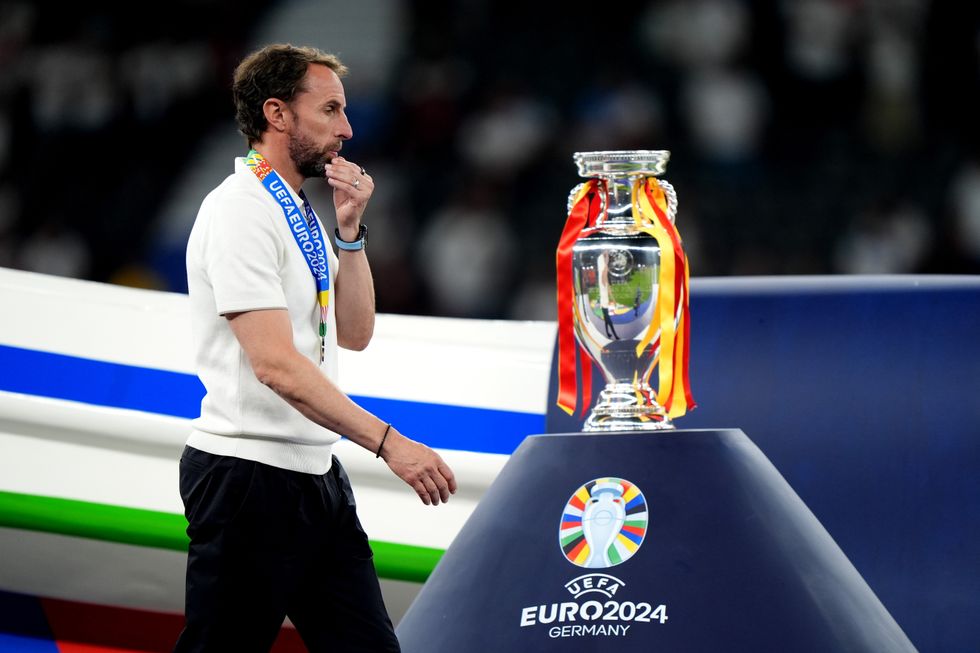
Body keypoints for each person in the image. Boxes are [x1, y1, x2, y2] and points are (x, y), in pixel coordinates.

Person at [176, 44, 456, 652]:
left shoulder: (297, 211)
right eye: (329, 109)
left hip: (313, 476)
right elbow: (276, 365)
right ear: (277, 114)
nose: (347, 128)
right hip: (246, 477)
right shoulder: (239, 211)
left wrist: (351, 231)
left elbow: (354, 332)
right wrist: (389, 443)